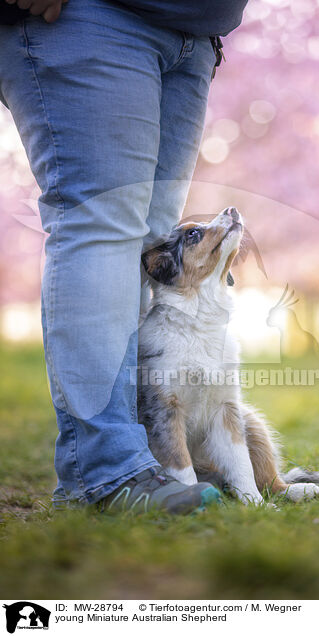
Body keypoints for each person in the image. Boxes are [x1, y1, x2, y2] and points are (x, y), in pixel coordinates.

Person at [0, 0, 248, 514]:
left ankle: (144, 464)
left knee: (151, 244)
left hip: (193, 35)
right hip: (86, 18)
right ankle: (107, 473)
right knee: (102, 227)